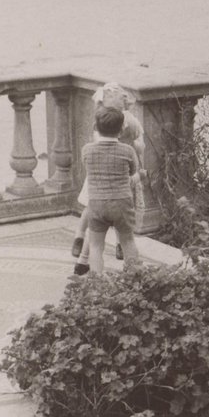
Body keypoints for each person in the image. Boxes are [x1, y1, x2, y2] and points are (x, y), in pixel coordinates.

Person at [73, 83, 144, 275]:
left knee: (96, 246)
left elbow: (88, 168)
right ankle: (135, 278)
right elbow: (132, 173)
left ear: (96, 128)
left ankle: (97, 281)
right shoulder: (127, 150)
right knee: (128, 241)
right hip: (122, 203)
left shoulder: (87, 150)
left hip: (97, 203)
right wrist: (141, 175)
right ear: (121, 131)